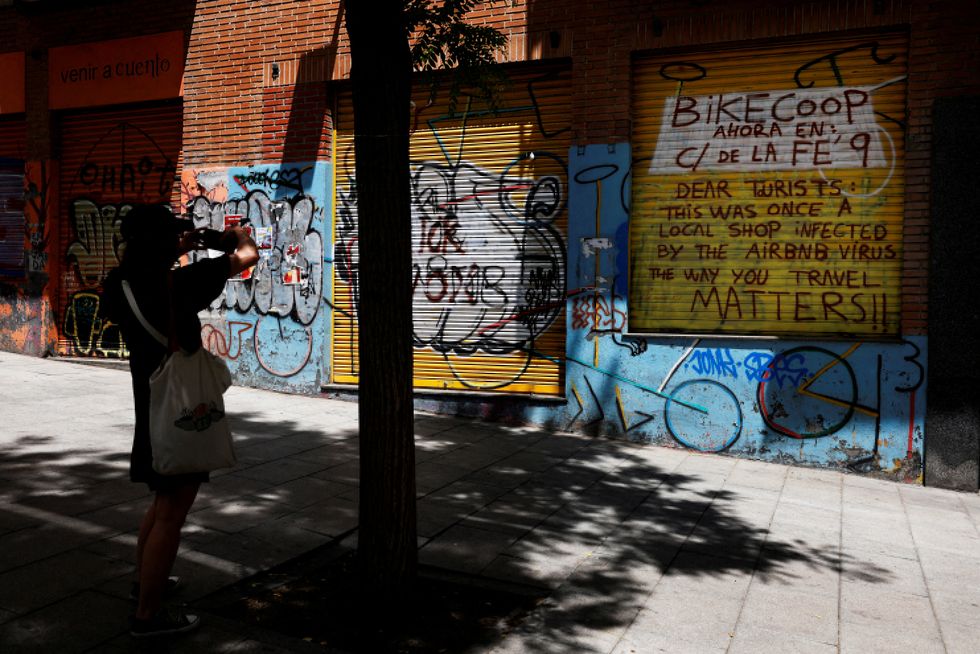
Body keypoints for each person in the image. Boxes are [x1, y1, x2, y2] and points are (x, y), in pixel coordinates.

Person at [102, 204, 258, 638]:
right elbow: (248, 257)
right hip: (180, 408)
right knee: (172, 510)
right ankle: (148, 617)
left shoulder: (118, 283)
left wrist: (177, 249)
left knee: (160, 500)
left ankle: (144, 585)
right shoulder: (182, 282)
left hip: (149, 400)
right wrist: (234, 237)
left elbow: (146, 279)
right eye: (172, 235)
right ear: (161, 242)